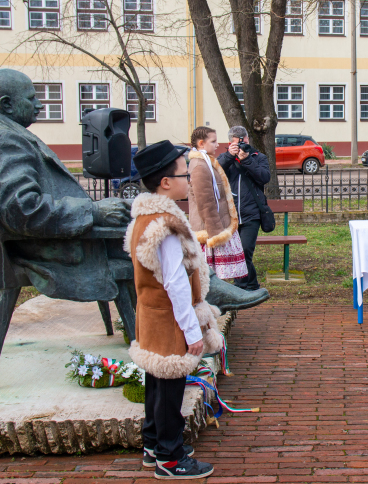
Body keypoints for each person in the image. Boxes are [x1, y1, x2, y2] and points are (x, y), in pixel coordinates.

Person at [0, 68, 130, 302]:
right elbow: (25, 210)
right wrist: (94, 211)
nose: (39, 105)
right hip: (54, 250)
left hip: (27, 244)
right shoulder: (3, 140)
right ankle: (153, 331)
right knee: (156, 245)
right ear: (6, 105)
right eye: (31, 98)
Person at [125, 140, 222, 480]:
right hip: (170, 319)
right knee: (170, 390)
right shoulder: (166, 225)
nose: (189, 178)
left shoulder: (145, 216)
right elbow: (176, 284)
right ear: (166, 182)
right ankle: (170, 457)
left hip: (151, 315)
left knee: (156, 380)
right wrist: (192, 331)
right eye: (184, 172)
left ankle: (153, 444)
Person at [188, 126, 248, 280]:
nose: (217, 144)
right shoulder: (200, 166)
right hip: (210, 230)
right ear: (201, 143)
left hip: (216, 226)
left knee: (215, 279)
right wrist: (217, 234)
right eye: (213, 141)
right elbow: (205, 203)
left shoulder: (207, 162)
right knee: (209, 279)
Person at [217, 126, 271, 291]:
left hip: (251, 213)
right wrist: (229, 156)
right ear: (230, 143)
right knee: (235, 253)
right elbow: (215, 172)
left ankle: (240, 287)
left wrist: (247, 160)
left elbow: (264, 177)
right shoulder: (225, 158)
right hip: (231, 215)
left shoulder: (258, 157)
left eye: (244, 143)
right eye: (237, 144)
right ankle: (251, 284)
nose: (242, 146)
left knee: (245, 250)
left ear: (248, 140)